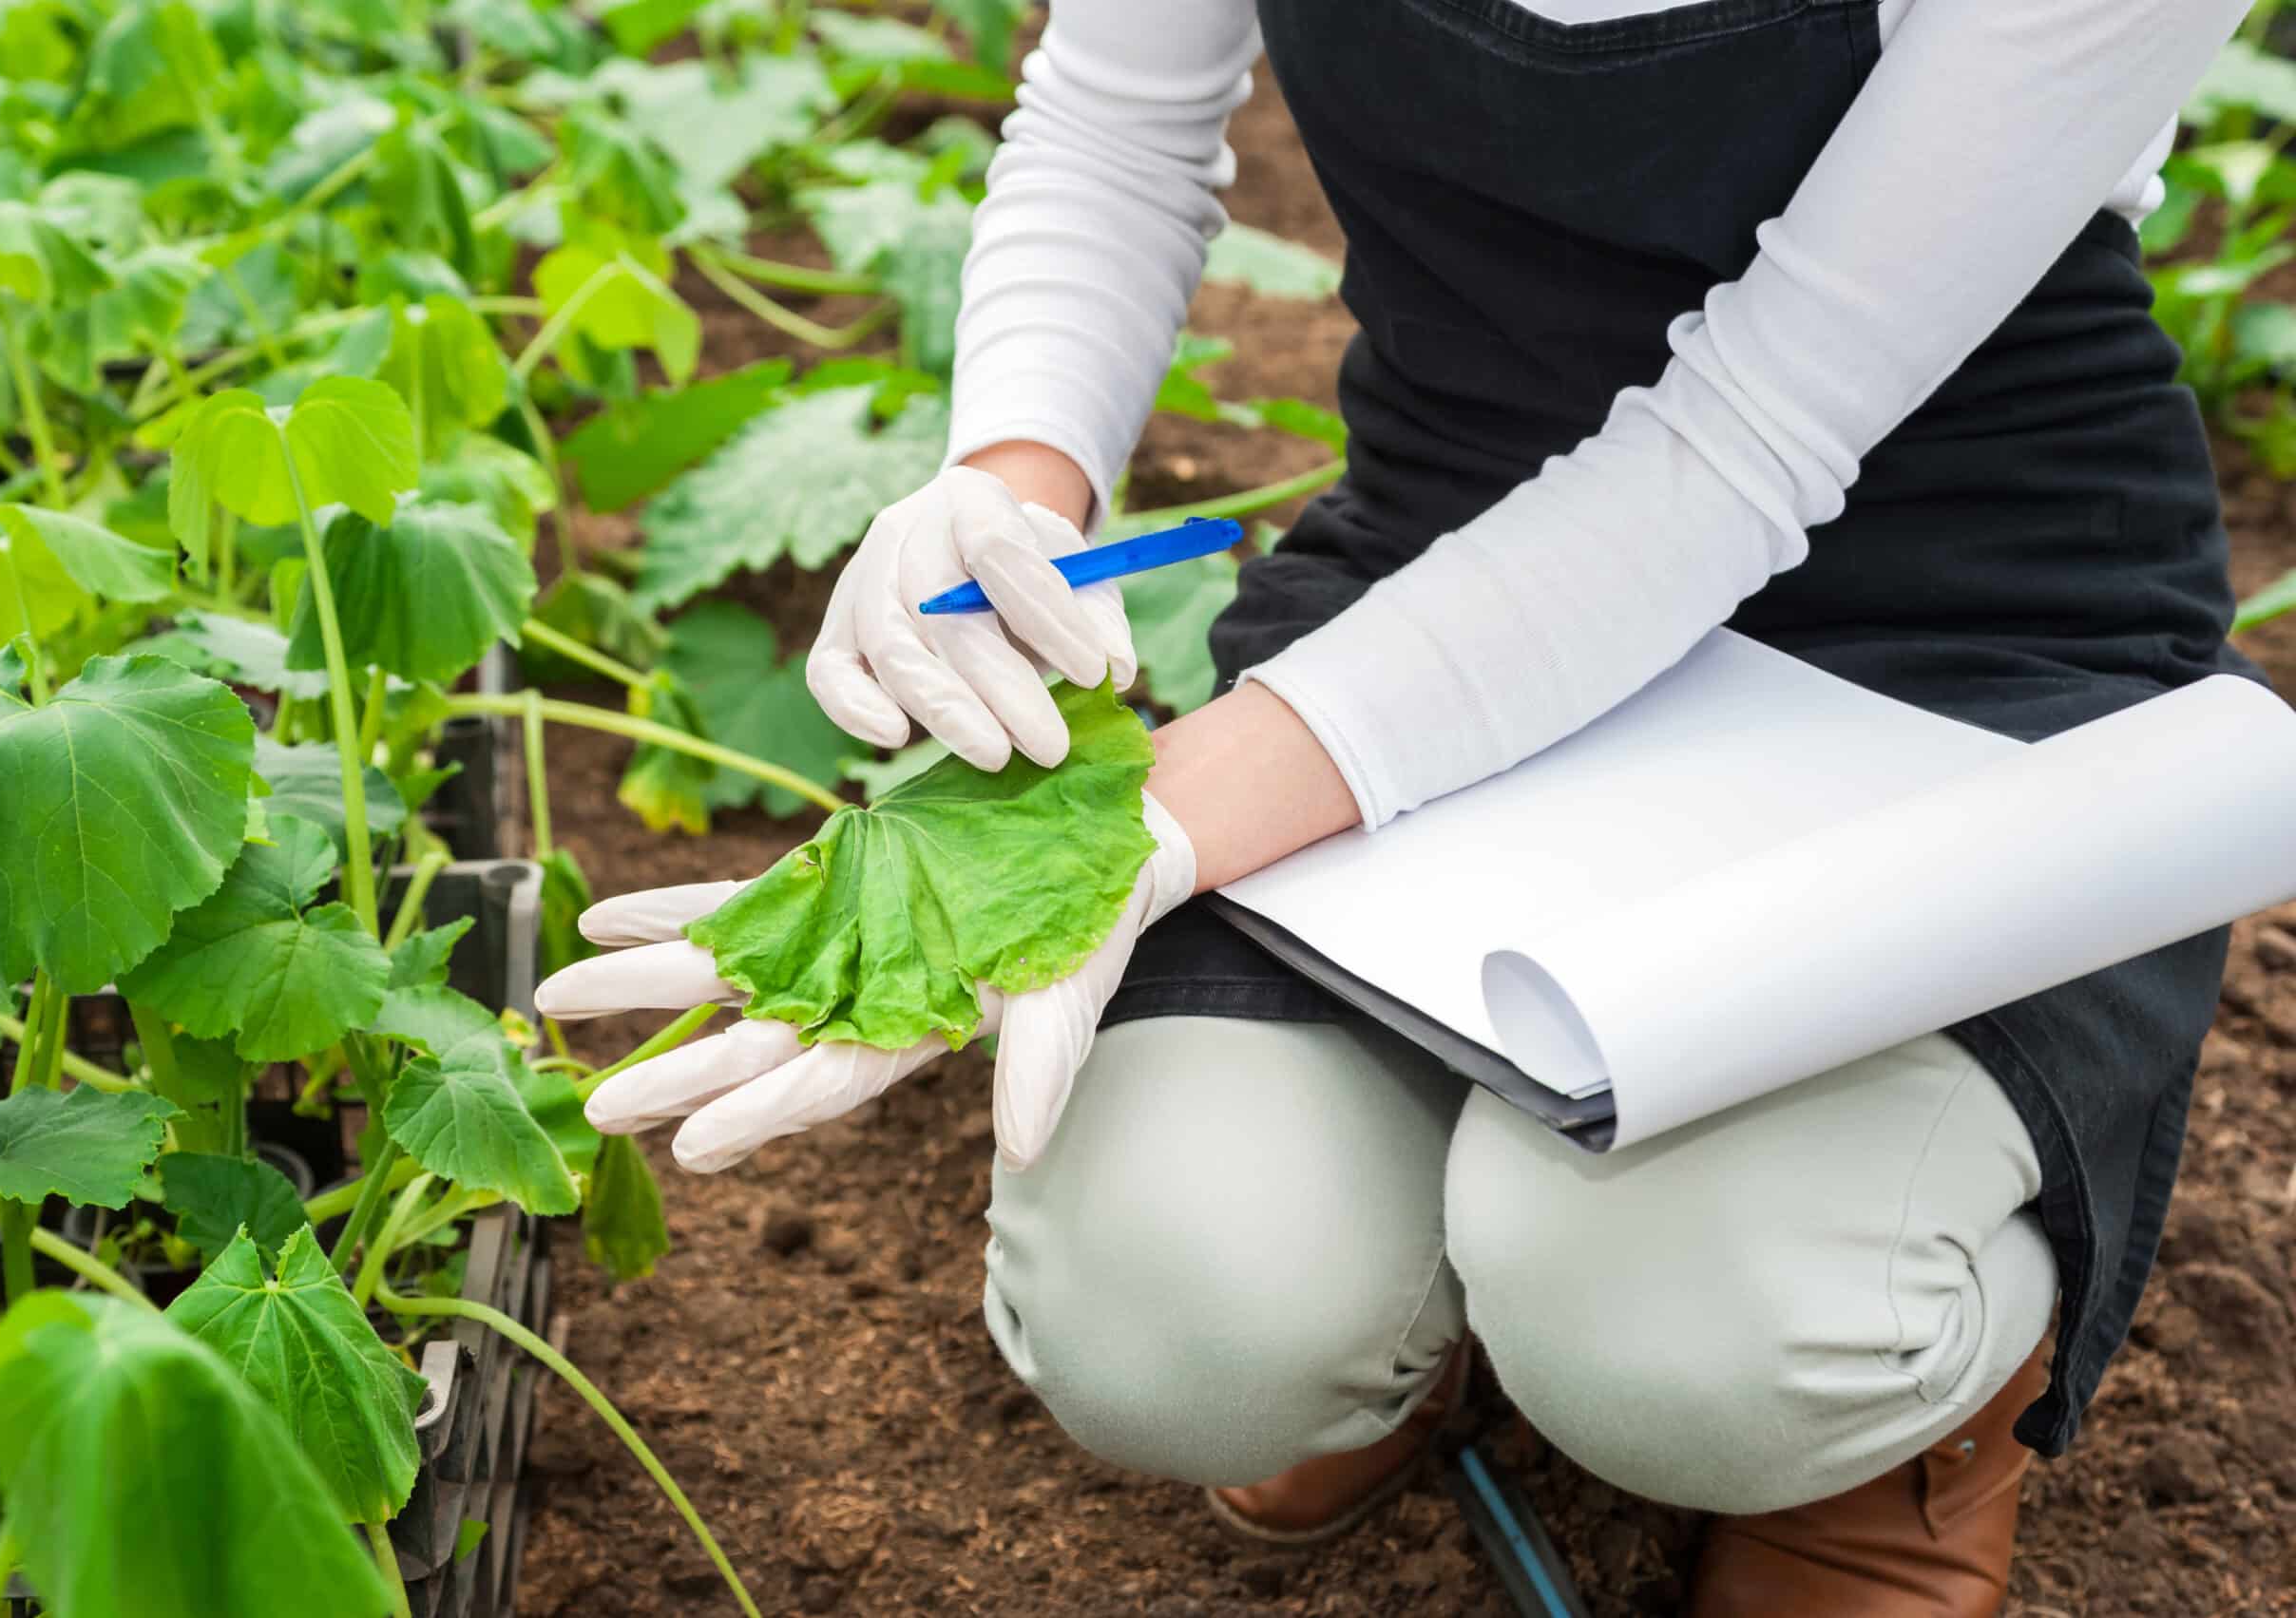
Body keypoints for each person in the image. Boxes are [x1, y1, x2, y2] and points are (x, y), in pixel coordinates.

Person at [536, 0, 2266, 1608]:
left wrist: (1173, 818)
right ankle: (1409, 1312)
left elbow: (1743, 440)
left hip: (1954, 622)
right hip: (1451, 543)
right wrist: (1012, 473)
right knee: (1170, 1321)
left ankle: (1893, 1431)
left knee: (1694, 1330)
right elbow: (1114, 125)